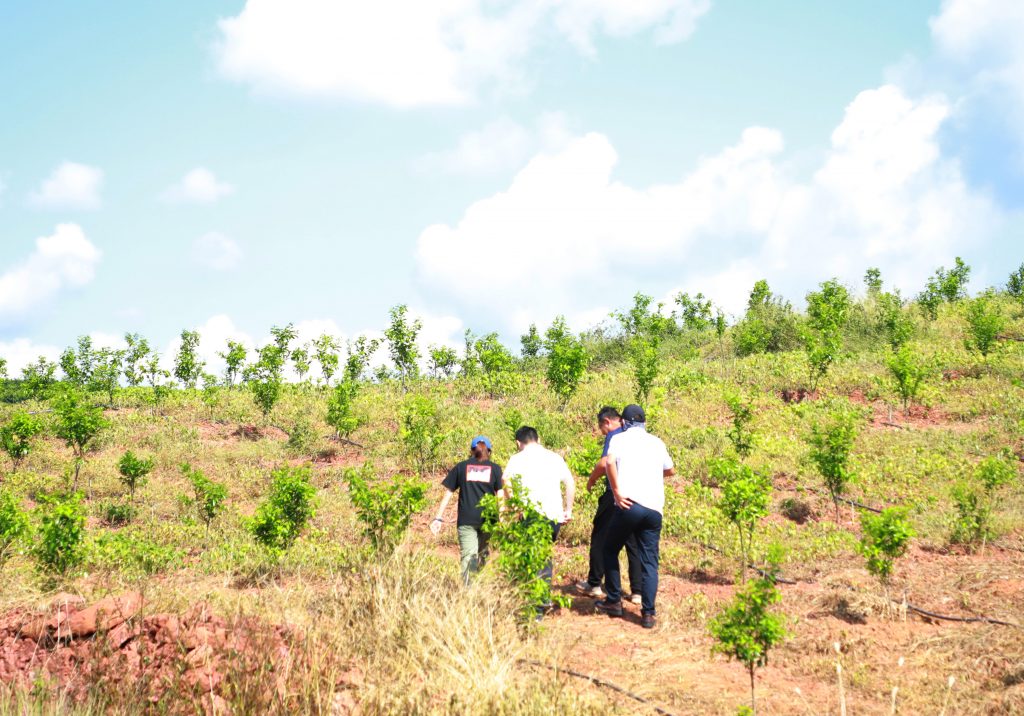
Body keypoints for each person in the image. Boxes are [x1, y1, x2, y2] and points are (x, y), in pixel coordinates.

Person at [594, 404, 674, 629]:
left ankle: (613, 601)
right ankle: (648, 614)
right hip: (654, 509)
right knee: (649, 561)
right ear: (644, 423)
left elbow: (608, 463)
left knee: (609, 549)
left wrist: (617, 491)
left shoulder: (620, 439)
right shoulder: (657, 442)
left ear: (625, 423)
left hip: (630, 505)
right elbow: (670, 470)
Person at [575, 407, 643, 604]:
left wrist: (591, 481)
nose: (601, 431)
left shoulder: (614, 435)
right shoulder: (635, 436)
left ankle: (594, 583)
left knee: (600, 537)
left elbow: (605, 463)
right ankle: (637, 591)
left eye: (600, 427)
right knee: (633, 542)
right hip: (635, 495)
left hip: (614, 494)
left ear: (607, 421)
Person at [502, 425, 575, 607]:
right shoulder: (555, 457)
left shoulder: (517, 458)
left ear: (518, 443)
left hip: (530, 515)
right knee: (543, 554)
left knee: (532, 556)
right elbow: (570, 482)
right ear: (538, 439)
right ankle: (541, 596)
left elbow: (505, 480)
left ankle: (536, 601)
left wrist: (515, 505)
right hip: (553, 516)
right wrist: (568, 509)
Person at [430, 435, 504, 584]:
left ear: (471, 451)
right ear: (489, 451)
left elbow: (449, 492)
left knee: (469, 556)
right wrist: (502, 519)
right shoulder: (495, 469)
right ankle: (478, 585)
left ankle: (469, 591)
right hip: (488, 520)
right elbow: (500, 496)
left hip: (466, 520)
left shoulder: (461, 467)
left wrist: (438, 517)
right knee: (483, 553)